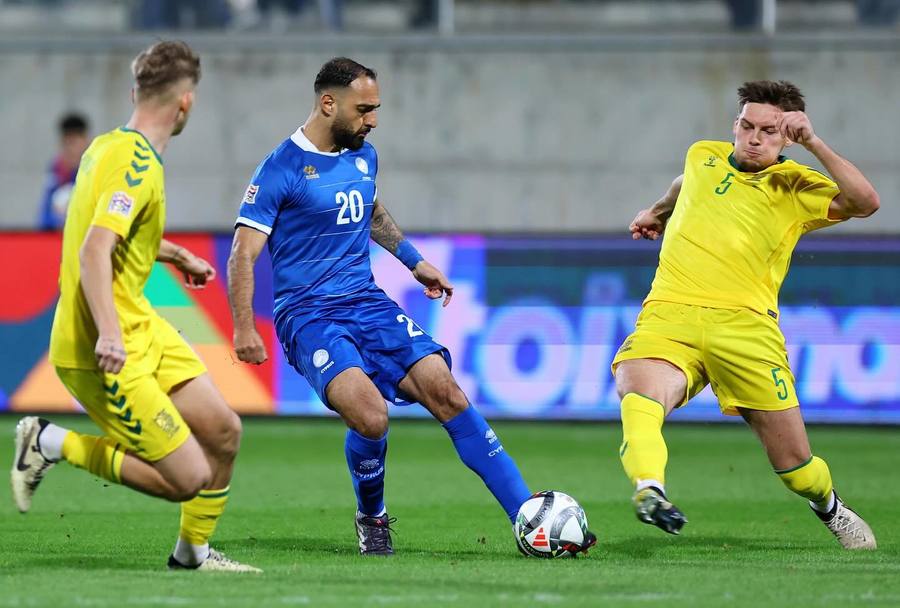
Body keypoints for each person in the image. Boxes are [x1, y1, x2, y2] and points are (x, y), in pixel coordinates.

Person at [227, 57, 591, 556]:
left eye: (376, 109)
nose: (372, 120)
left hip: (366, 302)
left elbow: (369, 208)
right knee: (371, 417)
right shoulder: (280, 169)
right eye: (364, 109)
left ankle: (528, 516)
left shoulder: (364, 155)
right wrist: (244, 328)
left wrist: (414, 261)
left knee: (447, 393)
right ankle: (372, 516)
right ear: (328, 103)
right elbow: (242, 252)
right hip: (309, 315)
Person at [11, 41, 259, 573]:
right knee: (186, 478)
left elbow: (110, 231)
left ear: (135, 92)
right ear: (186, 103)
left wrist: (171, 254)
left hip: (138, 324)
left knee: (223, 431)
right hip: (103, 345)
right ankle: (50, 441)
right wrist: (108, 334)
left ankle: (192, 554)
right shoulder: (138, 166)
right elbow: (94, 248)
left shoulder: (106, 146)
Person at [613, 80, 879, 549]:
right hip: (670, 313)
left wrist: (814, 143)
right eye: (747, 126)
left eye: (769, 132)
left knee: (796, 469)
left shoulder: (796, 185)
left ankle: (830, 506)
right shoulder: (703, 155)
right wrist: (657, 211)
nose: (754, 139)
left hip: (746, 329)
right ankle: (649, 489)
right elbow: (685, 182)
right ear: (735, 125)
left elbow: (865, 202)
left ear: (787, 139)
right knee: (639, 394)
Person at [38, 113, 90, 230]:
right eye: (66, 143)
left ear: (85, 141)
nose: (71, 149)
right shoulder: (56, 169)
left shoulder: (93, 171)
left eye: (74, 143)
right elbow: (44, 214)